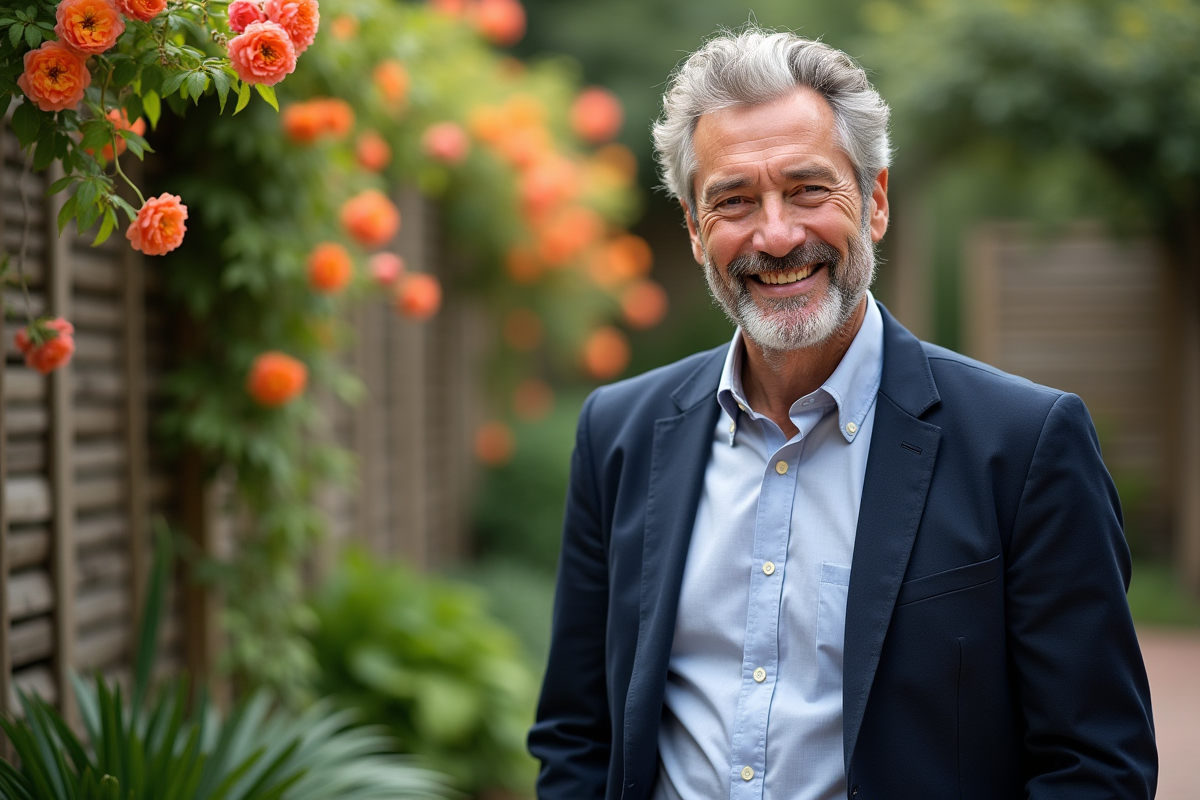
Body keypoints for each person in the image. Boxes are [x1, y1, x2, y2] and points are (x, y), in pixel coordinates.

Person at [528, 27, 1157, 800]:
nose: (777, 234)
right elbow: (577, 734)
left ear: (876, 201)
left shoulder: (1025, 446)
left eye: (808, 189)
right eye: (733, 200)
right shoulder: (617, 434)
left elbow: (1096, 766)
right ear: (695, 231)